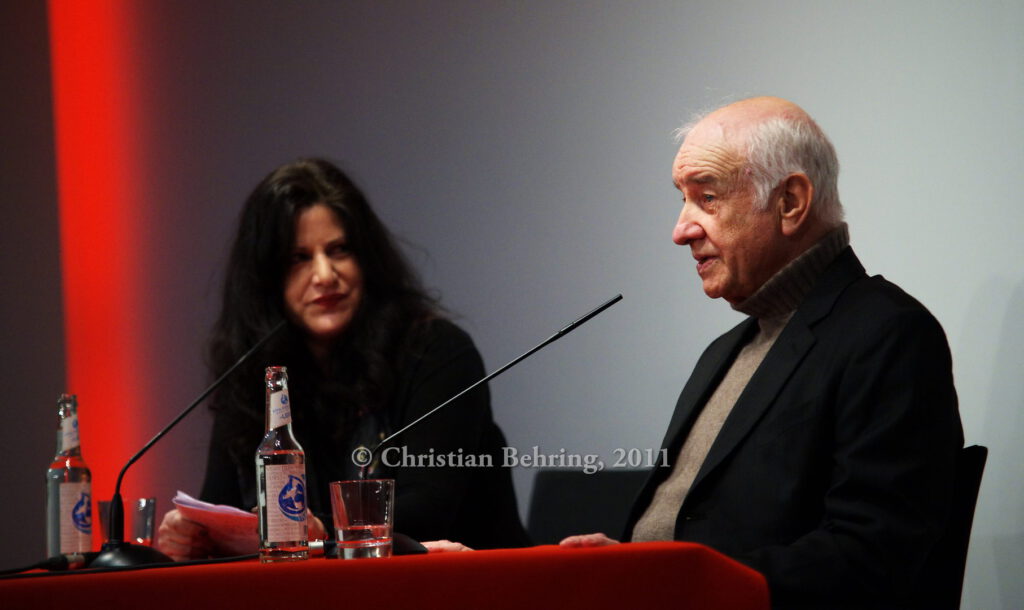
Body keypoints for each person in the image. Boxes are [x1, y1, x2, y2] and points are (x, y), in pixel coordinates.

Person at [561, 97, 964, 608]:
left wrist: (674, 581)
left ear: (790, 202)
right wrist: (627, 565)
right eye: (683, 200)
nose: (681, 230)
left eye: (707, 198)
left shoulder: (888, 334)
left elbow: (871, 553)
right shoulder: (723, 353)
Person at [157, 158, 528, 560]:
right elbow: (222, 504)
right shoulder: (255, 374)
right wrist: (196, 534)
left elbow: (427, 513)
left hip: (463, 585)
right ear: (265, 279)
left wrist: (319, 531)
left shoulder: (436, 351)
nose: (324, 275)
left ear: (366, 259)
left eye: (338, 250)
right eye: (299, 258)